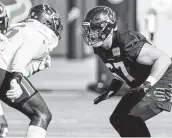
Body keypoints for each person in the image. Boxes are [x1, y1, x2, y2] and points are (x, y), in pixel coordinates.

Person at [82, 6, 172, 137]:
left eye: (95, 28)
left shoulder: (126, 42)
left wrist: (148, 83)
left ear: (107, 27)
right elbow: (122, 71)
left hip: (163, 78)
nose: (91, 32)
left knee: (132, 118)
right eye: (89, 28)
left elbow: (163, 59)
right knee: (117, 119)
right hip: (142, 84)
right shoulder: (101, 48)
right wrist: (111, 89)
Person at [0, 4, 63, 138]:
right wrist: (15, 80)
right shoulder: (41, 33)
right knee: (41, 114)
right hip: (4, 70)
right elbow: (23, 54)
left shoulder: (17, 26)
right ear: (47, 21)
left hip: (4, 67)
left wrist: (34, 66)